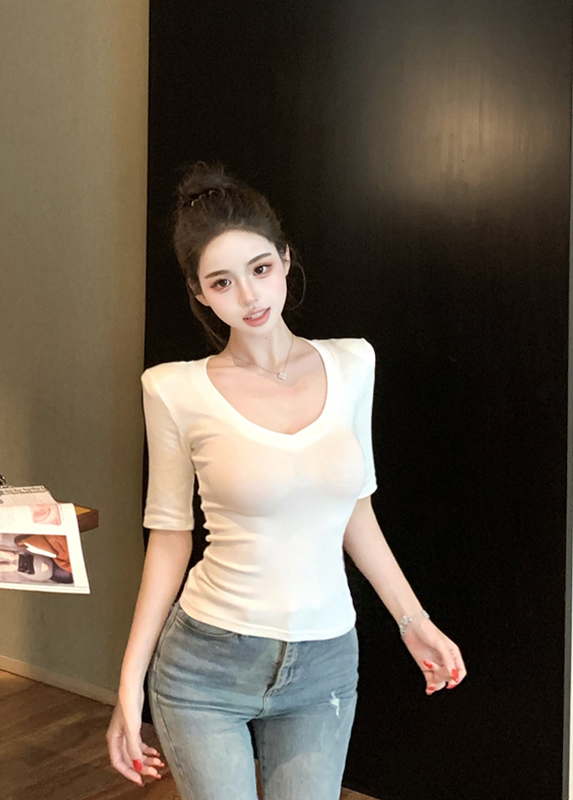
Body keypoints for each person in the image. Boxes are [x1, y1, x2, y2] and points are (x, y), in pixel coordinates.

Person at [106, 163, 466, 800]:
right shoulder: (173, 389)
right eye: (222, 282)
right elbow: (169, 537)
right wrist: (129, 682)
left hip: (325, 665)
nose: (248, 296)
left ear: (285, 260)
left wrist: (414, 621)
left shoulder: (352, 364)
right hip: (207, 664)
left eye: (260, 268)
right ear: (200, 293)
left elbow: (355, 511)